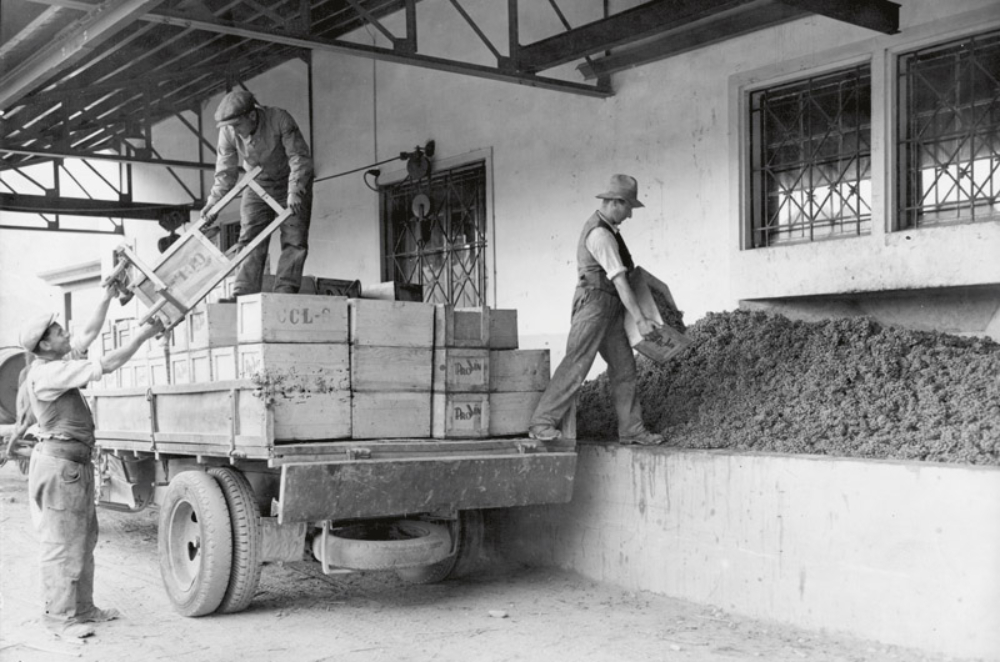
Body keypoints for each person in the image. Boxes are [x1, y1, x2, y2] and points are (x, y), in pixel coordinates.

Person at [17, 286, 164, 641]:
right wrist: (143, 334)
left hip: (73, 465)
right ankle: (60, 619)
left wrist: (107, 295)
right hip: (59, 466)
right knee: (62, 544)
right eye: (58, 332)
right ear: (45, 345)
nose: (66, 333)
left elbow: (87, 334)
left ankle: (83, 609)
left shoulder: (58, 363)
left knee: (83, 539)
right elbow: (108, 363)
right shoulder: (47, 374)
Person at [528, 174, 665, 446]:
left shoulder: (610, 232)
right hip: (593, 306)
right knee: (577, 363)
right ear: (616, 202)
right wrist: (640, 319)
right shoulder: (600, 235)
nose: (629, 215)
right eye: (628, 208)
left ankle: (631, 429)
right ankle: (541, 422)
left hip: (609, 309)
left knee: (625, 368)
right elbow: (619, 280)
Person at [201, 89, 314, 300]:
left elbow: (299, 157)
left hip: (291, 183)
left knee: (294, 239)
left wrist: (295, 191)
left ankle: (285, 292)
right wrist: (213, 203)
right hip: (258, 183)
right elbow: (225, 172)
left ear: (252, 116)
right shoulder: (228, 131)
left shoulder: (279, 119)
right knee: (249, 237)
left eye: (237, 125)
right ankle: (242, 293)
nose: (233, 130)